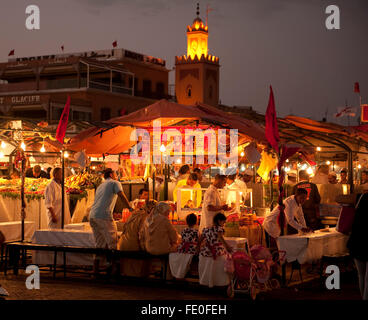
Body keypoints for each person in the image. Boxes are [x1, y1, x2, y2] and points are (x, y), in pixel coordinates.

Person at [89, 168, 132, 273]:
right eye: (115, 174)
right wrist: (130, 208)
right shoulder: (115, 183)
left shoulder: (100, 186)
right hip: (104, 216)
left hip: (93, 215)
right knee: (113, 242)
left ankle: (95, 271)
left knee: (99, 244)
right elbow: (121, 195)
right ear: (112, 175)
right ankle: (114, 271)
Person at [118, 201, 156, 277]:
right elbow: (141, 234)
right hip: (133, 244)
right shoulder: (145, 216)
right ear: (151, 209)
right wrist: (144, 247)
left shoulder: (134, 213)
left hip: (122, 243)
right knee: (148, 252)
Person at [197, 213, 233, 288]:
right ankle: (220, 282)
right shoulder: (219, 229)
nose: (224, 224)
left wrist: (198, 248)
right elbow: (221, 238)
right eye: (223, 222)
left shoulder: (206, 229)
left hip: (205, 251)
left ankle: (206, 281)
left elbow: (200, 240)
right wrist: (227, 246)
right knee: (225, 258)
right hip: (217, 251)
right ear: (219, 221)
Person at [347, 184, 368, 300]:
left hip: (357, 241)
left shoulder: (360, 198)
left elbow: (341, 198)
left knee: (361, 275)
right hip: (363, 242)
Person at [169, 213, 199, 279]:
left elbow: (182, 239)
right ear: (196, 222)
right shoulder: (196, 231)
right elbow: (197, 241)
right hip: (191, 248)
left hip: (183, 247)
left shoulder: (184, 230)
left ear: (186, 222)